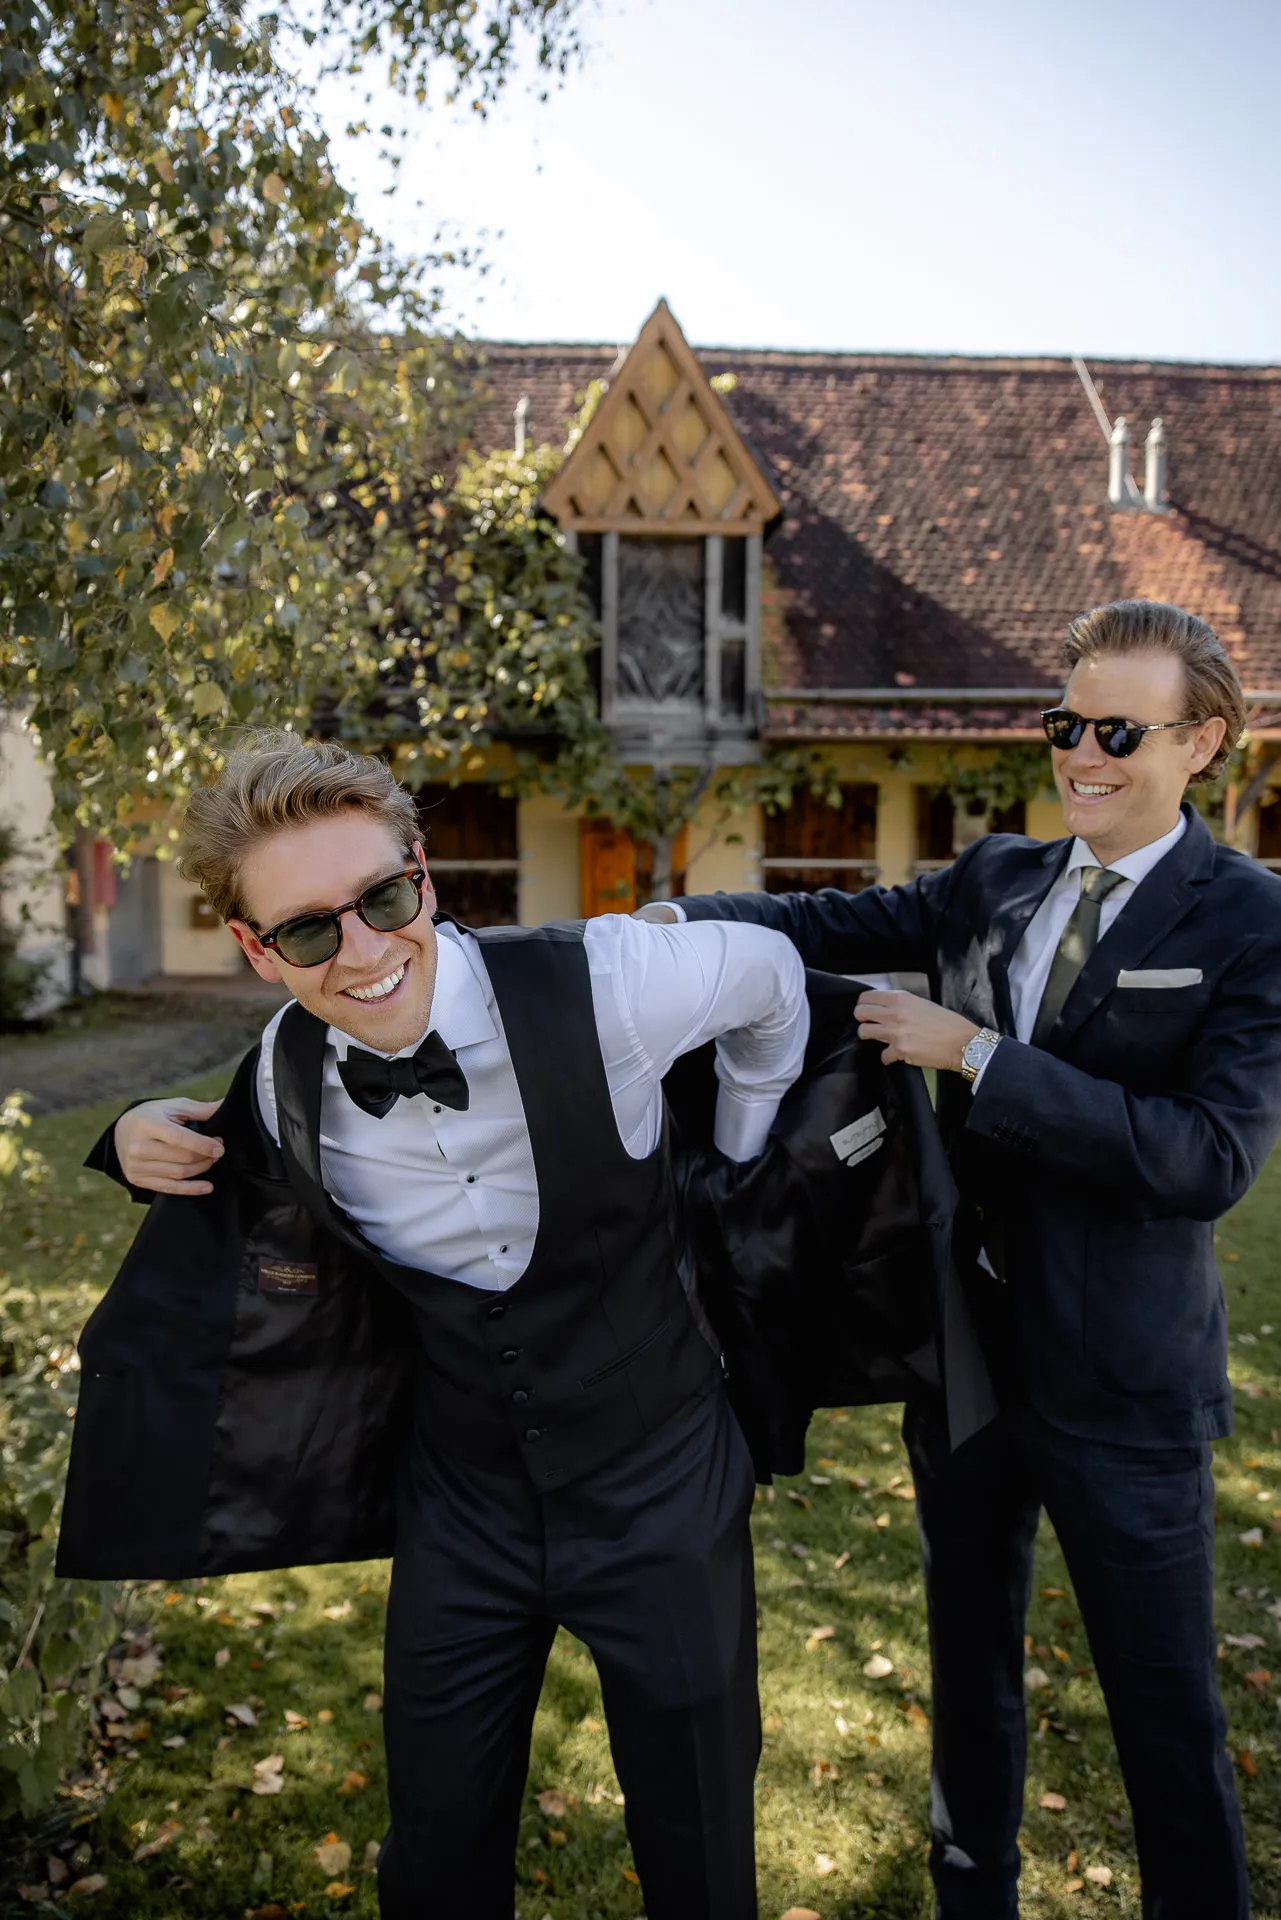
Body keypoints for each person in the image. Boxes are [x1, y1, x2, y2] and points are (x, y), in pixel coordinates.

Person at [76, 733, 813, 1920]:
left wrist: (739, 1143)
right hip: (462, 1510)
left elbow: (773, 973)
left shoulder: (616, 982)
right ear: (257, 951)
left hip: (663, 1488)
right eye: (309, 932)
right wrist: (124, 1137)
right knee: (433, 1853)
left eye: (383, 898)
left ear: (423, 871)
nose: (366, 952)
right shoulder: (281, 1076)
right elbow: (224, 1155)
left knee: (700, 1843)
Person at [641, 600, 1281, 1919]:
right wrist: (663, 922)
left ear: (1203, 740)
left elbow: (1206, 1157)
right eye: (1065, 724)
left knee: (1165, 1716)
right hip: (964, 1361)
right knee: (968, 1671)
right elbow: (823, 925)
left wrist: (978, 1056)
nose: (1081, 755)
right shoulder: (994, 879)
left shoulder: (1252, 918)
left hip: (1128, 1390)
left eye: (1117, 732)